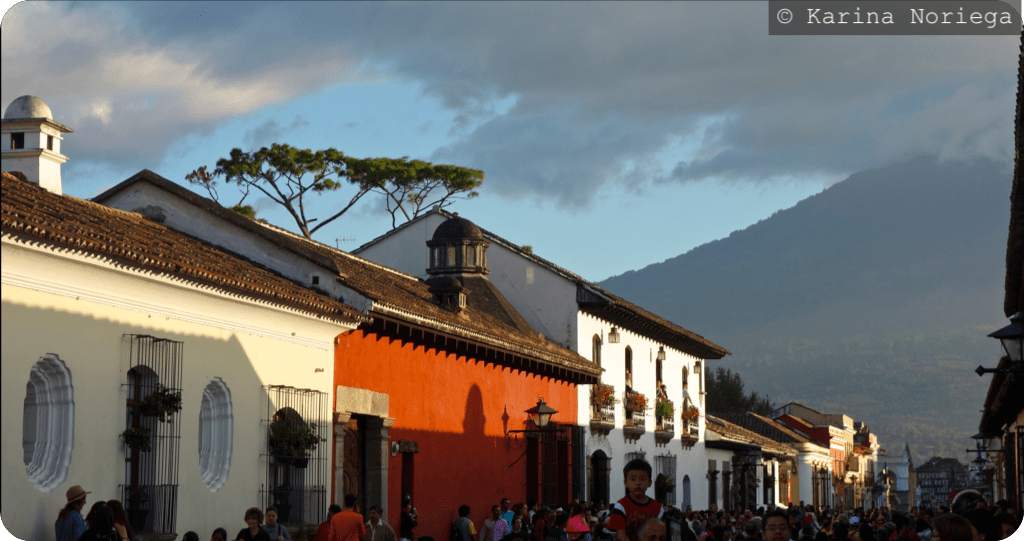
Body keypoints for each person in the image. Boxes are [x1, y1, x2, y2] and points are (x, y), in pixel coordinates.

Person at [606, 458, 663, 541]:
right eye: (633, 479)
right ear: (626, 483)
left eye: (642, 479)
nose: (638, 483)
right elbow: (621, 534)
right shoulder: (621, 506)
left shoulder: (657, 508)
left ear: (649, 483)